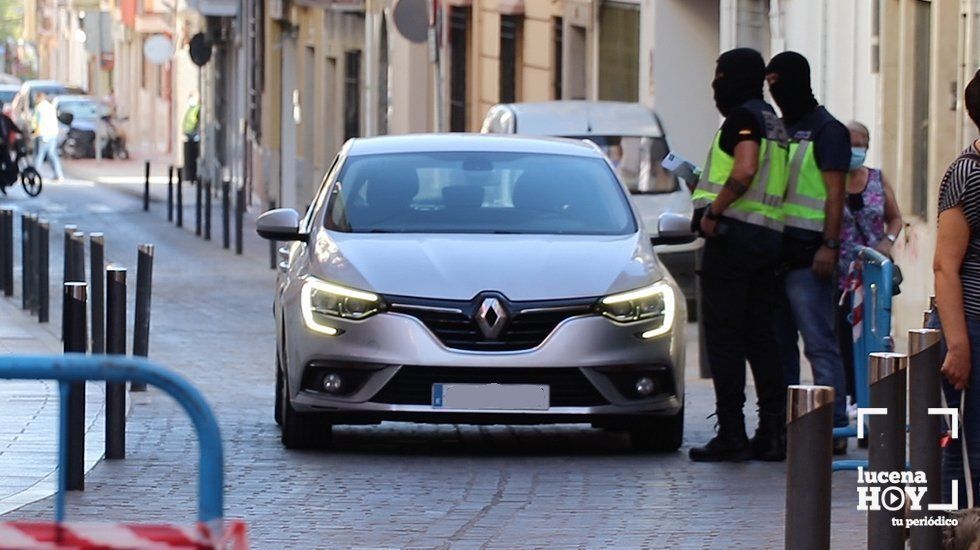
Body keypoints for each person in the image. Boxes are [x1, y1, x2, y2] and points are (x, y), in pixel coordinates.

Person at [688, 48, 790, 462]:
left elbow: (745, 169)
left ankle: (731, 432)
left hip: (733, 241)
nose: (716, 83)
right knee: (761, 339)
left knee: (726, 340)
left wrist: (714, 210)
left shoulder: (743, 119)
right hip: (767, 243)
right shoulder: (774, 122)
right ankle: (772, 432)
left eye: (720, 74)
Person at [765, 52, 851, 454]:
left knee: (818, 344)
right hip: (778, 254)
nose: (775, 90)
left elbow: (836, 193)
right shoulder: (782, 127)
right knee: (781, 346)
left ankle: (832, 430)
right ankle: (792, 426)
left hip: (811, 254)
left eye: (780, 81)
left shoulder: (827, 129)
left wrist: (829, 246)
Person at [933, 69, 980, 504]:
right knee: (967, 446)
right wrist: (959, 346)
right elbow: (946, 266)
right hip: (973, 325)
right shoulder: (968, 173)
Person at [836, 121, 903, 405]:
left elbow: (896, 217)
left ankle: (872, 408)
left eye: (860, 143)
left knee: (875, 342)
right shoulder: (830, 179)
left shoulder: (876, 178)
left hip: (875, 279)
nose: (855, 148)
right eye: (849, 142)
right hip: (840, 281)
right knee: (843, 345)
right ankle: (848, 404)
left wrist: (887, 241)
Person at [31, 92, 64, 183]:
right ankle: (58, 174)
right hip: (52, 134)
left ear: (38, 98)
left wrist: (35, 132)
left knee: (39, 155)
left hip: (42, 134)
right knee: (52, 154)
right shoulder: (50, 107)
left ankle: (34, 175)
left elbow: (38, 122)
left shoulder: (40, 108)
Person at [182, 93, 200, 182]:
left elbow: (198, 122)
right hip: (189, 136)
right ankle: (190, 177)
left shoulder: (197, 109)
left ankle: (193, 177)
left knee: (193, 159)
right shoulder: (191, 109)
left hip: (195, 137)